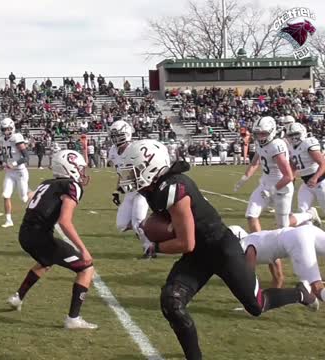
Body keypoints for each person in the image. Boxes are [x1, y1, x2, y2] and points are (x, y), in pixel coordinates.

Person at [117, 139, 316, 360]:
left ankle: (301, 293)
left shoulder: (174, 187)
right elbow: (173, 227)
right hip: (199, 254)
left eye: (135, 170)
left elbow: (186, 243)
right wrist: (157, 226)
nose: (130, 176)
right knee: (171, 301)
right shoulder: (154, 188)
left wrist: (154, 247)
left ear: (152, 167)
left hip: (221, 247)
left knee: (257, 305)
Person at [6, 150, 97, 329]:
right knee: (87, 268)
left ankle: (17, 298)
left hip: (25, 234)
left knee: (46, 261)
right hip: (40, 236)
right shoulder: (71, 186)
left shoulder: (46, 183)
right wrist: (83, 249)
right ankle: (73, 319)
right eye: (79, 167)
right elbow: (64, 221)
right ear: (69, 167)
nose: (81, 171)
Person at [230, 222, 322, 303]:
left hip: (298, 240)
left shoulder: (244, 247)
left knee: (318, 289)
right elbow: (276, 267)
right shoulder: (255, 238)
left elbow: (249, 281)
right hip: (307, 230)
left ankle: (306, 294)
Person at [234, 117, 294, 232]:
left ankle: (308, 215)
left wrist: (272, 190)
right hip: (264, 185)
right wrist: (243, 179)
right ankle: (258, 245)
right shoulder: (259, 143)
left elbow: (288, 176)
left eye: (263, 133)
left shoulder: (276, 145)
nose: (260, 136)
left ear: (272, 131)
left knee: (282, 227)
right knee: (251, 215)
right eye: (257, 133)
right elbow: (254, 163)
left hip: (281, 189)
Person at [107, 120, 151, 258]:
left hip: (142, 189)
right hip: (130, 191)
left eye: (118, 135)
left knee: (137, 222)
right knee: (122, 224)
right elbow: (121, 173)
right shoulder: (113, 151)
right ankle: (151, 231)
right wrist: (117, 190)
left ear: (126, 134)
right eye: (113, 135)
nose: (115, 138)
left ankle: (149, 248)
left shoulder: (135, 149)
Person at [286, 122, 325, 220]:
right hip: (306, 183)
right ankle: (311, 221)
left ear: (303, 132)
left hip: (321, 181)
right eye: (291, 135)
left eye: (296, 134)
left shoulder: (308, 143)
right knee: (302, 211)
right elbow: (294, 166)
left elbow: (323, 163)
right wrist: (290, 181)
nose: (294, 137)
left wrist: (315, 178)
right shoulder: (291, 147)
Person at [0, 118, 30, 228]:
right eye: (4, 129)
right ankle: (8, 220)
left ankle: (38, 194)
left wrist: (14, 164)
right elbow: (5, 155)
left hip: (20, 171)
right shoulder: (3, 140)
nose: (6, 131)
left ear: (12, 128)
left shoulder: (17, 137)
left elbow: (26, 157)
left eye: (8, 129)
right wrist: (3, 163)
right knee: (6, 195)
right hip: (9, 173)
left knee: (24, 198)